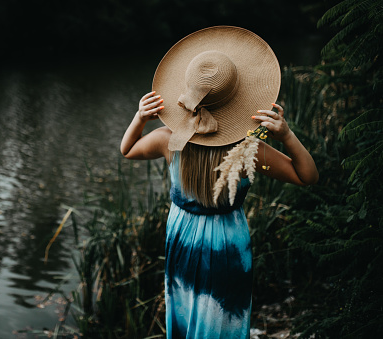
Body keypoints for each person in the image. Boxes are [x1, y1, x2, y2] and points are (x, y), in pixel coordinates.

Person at [120, 26, 318, 339]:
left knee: (186, 308)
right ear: (236, 99)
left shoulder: (167, 140)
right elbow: (307, 176)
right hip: (227, 244)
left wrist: (140, 118)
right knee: (221, 317)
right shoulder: (249, 151)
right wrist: (286, 135)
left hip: (181, 237)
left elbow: (127, 150)